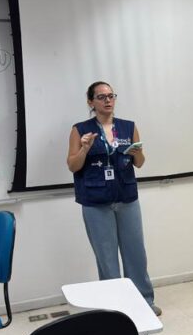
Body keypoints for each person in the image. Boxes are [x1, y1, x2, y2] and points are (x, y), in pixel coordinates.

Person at [66, 81, 158, 315]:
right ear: (91, 102)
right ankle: (116, 308)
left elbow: (140, 163)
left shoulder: (129, 127)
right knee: (107, 258)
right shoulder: (80, 129)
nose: (107, 100)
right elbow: (73, 165)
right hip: (96, 202)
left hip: (127, 198)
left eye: (111, 96)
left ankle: (144, 302)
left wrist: (138, 153)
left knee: (135, 253)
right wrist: (85, 148)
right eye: (101, 97)